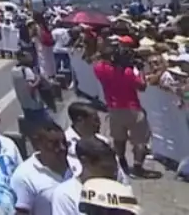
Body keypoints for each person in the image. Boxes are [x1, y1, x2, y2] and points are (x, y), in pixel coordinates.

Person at [92, 40, 155, 178]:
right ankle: (138, 167)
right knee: (140, 141)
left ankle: (121, 161)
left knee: (118, 138)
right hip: (133, 109)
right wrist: (140, 71)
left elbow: (97, 61)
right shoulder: (128, 72)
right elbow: (142, 87)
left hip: (114, 109)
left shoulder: (101, 69)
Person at [49, 137, 132, 215]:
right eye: (105, 168)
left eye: (115, 169)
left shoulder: (118, 189)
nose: (113, 174)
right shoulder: (66, 195)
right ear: (85, 162)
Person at [8, 120, 74, 215]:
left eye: (64, 142)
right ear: (37, 145)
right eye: (54, 144)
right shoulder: (24, 177)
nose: (62, 148)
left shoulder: (75, 166)